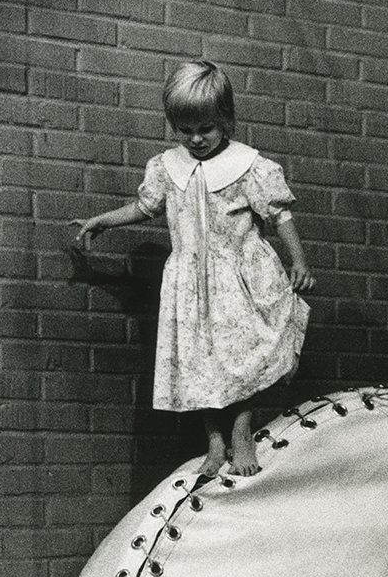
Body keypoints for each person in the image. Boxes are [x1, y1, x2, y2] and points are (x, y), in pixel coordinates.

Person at [73, 59, 314, 477]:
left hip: (239, 278)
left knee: (243, 355)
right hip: (189, 283)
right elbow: (145, 206)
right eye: (186, 130)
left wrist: (299, 260)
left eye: (206, 128)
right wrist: (102, 221)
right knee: (199, 361)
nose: (197, 139)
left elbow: (279, 215)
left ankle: (241, 432)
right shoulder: (166, 167)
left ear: (226, 120)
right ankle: (215, 443)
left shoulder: (248, 166)